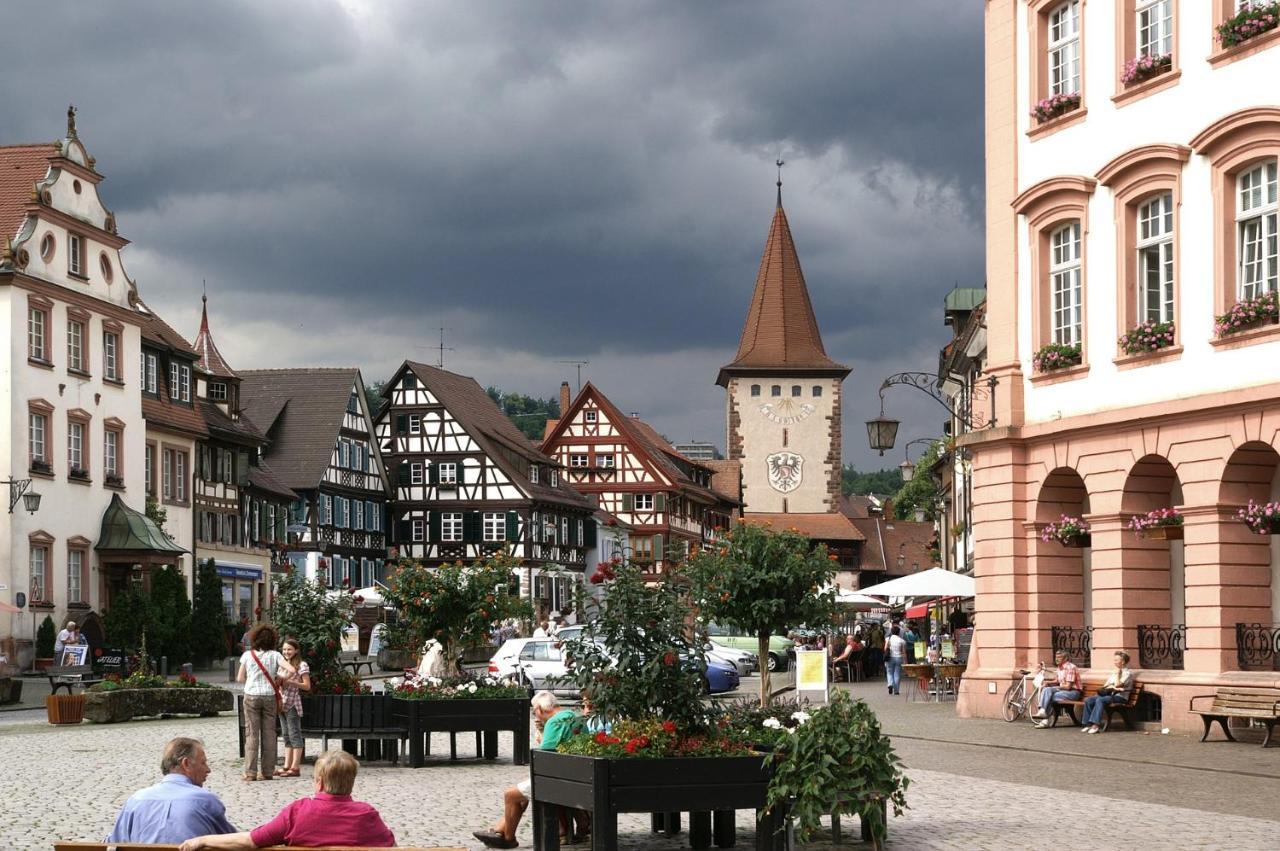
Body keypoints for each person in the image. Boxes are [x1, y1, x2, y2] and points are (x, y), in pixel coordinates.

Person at [179, 749, 394, 849]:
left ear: (318, 782)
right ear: (351, 782)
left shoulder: (298, 812)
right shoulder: (367, 815)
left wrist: (204, 839)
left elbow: (251, 840)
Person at [473, 690, 579, 849]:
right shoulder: (573, 716)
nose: (535, 715)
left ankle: (508, 839)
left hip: (556, 779)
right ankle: (498, 831)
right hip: (574, 775)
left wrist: (541, 734)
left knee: (510, 794)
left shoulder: (553, 722)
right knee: (522, 795)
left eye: (534, 710)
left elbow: (543, 756)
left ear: (540, 709)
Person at [107, 737, 237, 843]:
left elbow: (114, 842)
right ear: (186, 764)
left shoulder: (136, 799)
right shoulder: (205, 800)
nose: (208, 770)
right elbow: (232, 841)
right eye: (203, 763)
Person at [239, 623, 285, 780]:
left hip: (251, 695)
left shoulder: (247, 655)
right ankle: (267, 772)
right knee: (269, 734)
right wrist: (279, 678)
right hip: (269, 695)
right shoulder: (276, 655)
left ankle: (250, 772)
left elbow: (240, 678)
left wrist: (251, 681)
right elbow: (292, 670)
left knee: (252, 734)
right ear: (272, 640)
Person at [277, 637, 311, 777]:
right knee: (286, 735)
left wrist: (292, 682)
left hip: (292, 704)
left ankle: (295, 767)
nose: (286, 652)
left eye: (289, 649)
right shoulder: (282, 664)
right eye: (284, 649)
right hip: (281, 703)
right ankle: (287, 765)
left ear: (296, 650)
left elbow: (307, 686)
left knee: (294, 734)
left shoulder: (302, 665)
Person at [1081, 651, 1135, 734]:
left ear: (1123, 661)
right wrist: (1112, 686)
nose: (1114, 662)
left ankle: (1095, 725)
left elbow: (1118, 685)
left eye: (1116, 660)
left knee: (1100, 700)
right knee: (1089, 700)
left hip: (1120, 697)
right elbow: (1106, 686)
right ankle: (1088, 724)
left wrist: (1117, 676)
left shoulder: (1127, 673)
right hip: (1110, 695)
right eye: (1114, 660)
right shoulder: (1114, 672)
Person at [1033, 651, 1083, 728]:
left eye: (1059, 657)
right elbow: (1057, 681)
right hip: (1063, 691)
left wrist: (1053, 688)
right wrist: (1048, 683)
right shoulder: (1060, 667)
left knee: (1049, 695)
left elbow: (1068, 686)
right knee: (1047, 691)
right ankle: (1043, 713)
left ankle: (1044, 718)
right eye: (1056, 657)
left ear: (1065, 658)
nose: (1057, 659)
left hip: (1073, 693)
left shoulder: (1070, 667)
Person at [884, 626, 906, 695]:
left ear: (891, 632)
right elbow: (903, 652)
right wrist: (905, 661)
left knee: (889, 672)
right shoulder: (902, 641)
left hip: (890, 657)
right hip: (899, 658)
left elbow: (885, 649)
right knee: (897, 674)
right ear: (899, 632)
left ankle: (890, 684)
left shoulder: (888, 639)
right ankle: (896, 691)